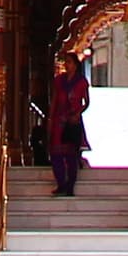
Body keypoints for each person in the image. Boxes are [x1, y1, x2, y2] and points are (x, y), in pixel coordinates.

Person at [49, 58, 91, 197]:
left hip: (73, 120)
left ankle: (70, 186)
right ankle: (61, 183)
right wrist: (51, 118)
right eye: (66, 63)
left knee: (71, 154)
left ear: (76, 65)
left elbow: (86, 102)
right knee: (56, 153)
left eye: (70, 62)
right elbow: (55, 99)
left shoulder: (81, 82)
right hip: (59, 119)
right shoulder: (59, 81)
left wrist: (77, 113)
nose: (67, 65)